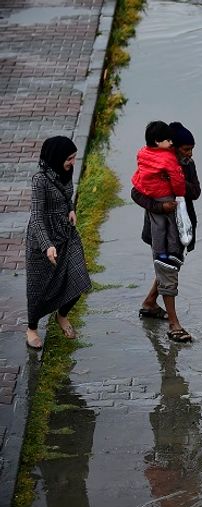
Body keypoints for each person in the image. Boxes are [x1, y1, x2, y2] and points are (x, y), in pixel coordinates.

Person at [131, 122, 200, 342]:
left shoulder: (186, 165)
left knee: (169, 266)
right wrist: (160, 207)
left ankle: (150, 303)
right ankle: (174, 325)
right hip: (160, 229)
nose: (190, 154)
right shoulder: (152, 167)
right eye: (185, 149)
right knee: (167, 269)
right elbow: (136, 193)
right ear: (172, 147)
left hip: (181, 226)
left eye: (191, 149)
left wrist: (175, 178)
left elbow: (196, 192)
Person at [25, 136, 92, 349]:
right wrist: (47, 245)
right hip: (43, 240)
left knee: (80, 279)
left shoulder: (66, 171)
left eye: (74, 157)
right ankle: (32, 328)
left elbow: (67, 194)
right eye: (69, 158)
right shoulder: (40, 180)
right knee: (39, 289)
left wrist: (71, 209)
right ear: (56, 158)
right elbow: (37, 217)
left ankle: (61, 315)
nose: (73, 162)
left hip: (66, 234)